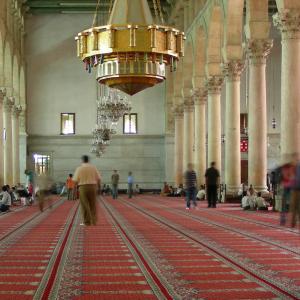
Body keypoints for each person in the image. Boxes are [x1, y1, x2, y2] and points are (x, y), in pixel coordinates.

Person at [73, 155, 101, 226]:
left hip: (83, 187)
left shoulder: (79, 169)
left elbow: (75, 180)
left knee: (84, 205)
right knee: (93, 204)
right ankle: (94, 221)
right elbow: (98, 178)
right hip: (93, 187)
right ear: (88, 160)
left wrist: (74, 189)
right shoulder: (93, 168)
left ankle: (87, 222)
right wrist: (99, 188)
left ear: (82, 160)